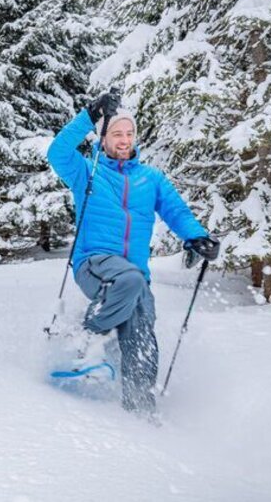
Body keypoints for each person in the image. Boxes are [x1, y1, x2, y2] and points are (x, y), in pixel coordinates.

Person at [46, 92, 219, 419]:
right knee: (127, 279)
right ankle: (89, 343)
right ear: (104, 137)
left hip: (137, 276)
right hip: (94, 263)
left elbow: (177, 211)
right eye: (116, 134)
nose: (124, 140)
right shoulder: (87, 171)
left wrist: (197, 237)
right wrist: (89, 115)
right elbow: (57, 152)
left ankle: (140, 411)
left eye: (129, 134)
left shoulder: (150, 179)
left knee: (142, 334)